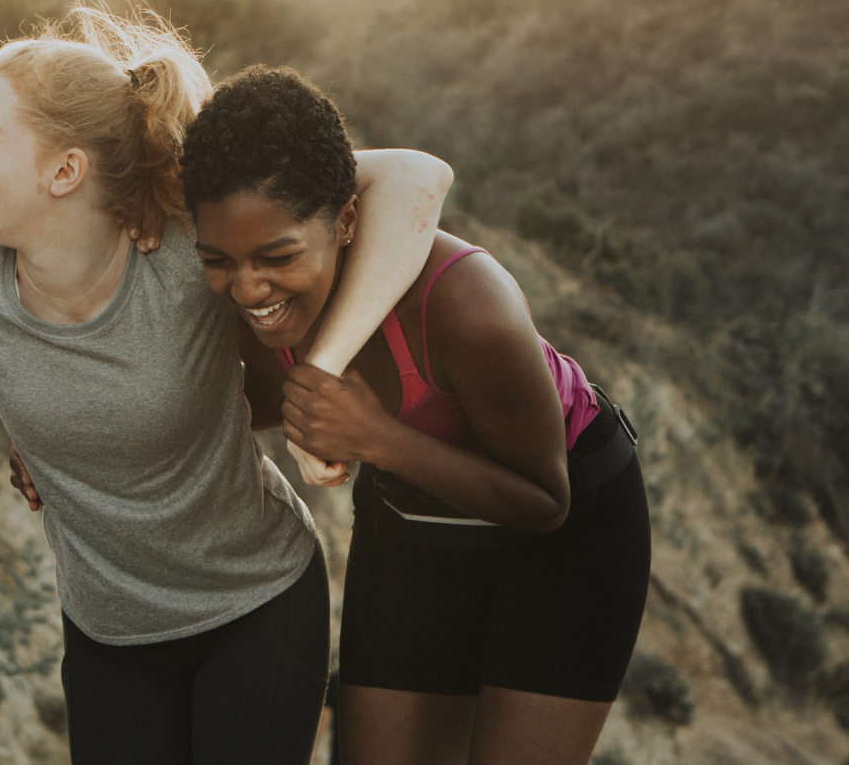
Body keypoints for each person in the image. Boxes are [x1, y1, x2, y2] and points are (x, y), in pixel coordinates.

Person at [0, 7, 451, 765]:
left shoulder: (181, 245)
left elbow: (415, 177)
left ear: (65, 171)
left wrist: (323, 368)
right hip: (109, 634)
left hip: (258, 603)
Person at [181, 66, 650, 765]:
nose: (248, 287)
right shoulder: (250, 306)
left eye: (277, 256)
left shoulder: (466, 305)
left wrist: (378, 438)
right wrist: (60, 449)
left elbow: (546, 501)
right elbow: (203, 412)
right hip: (413, 523)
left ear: (345, 220)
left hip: (569, 535)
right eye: (219, 260)